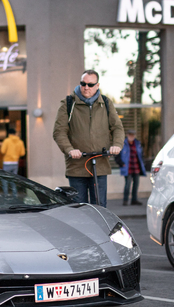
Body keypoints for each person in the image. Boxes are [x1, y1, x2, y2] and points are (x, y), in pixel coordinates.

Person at [52, 69, 124, 208]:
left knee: (100, 206)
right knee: (79, 207)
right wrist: (70, 149)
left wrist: (116, 145)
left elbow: (117, 128)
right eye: (83, 84)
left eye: (90, 85)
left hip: (100, 163)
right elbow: (59, 132)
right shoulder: (68, 103)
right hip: (77, 165)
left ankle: (99, 230)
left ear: (97, 85)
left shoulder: (106, 103)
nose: (86, 87)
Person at [119, 129, 147, 206]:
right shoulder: (123, 144)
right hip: (127, 168)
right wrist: (121, 164)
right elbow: (117, 155)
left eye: (133, 135)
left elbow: (141, 155)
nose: (131, 136)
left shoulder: (138, 143)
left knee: (136, 184)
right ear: (127, 135)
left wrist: (143, 163)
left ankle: (134, 200)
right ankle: (125, 200)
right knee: (127, 185)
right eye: (130, 135)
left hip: (136, 167)